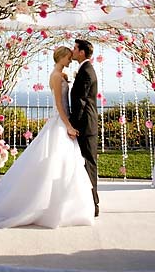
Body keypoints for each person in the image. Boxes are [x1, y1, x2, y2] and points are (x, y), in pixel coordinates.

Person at [0, 46, 95, 228]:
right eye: (68, 57)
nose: (70, 60)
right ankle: (50, 207)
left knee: (63, 165)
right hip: (60, 123)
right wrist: (68, 126)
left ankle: (64, 206)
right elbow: (59, 105)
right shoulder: (56, 76)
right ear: (60, 58)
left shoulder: (60, 75)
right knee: (56, 163)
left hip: (61, 123)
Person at [70, 38, 100, 217]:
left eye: (75, 48)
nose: (73, 51)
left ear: (82, 52)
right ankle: (86, 202)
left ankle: (94, 204)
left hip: (85, 125)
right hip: (85, 124)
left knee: (88, 163)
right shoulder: (84, 70)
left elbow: (81, 103)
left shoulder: (86, 72)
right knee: (84, 163)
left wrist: (73, 126)